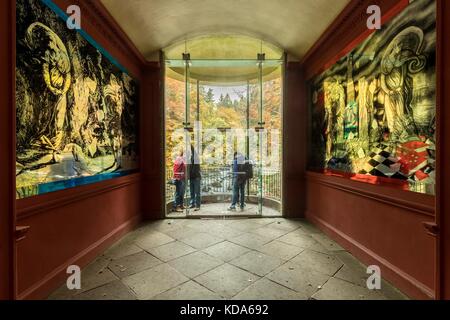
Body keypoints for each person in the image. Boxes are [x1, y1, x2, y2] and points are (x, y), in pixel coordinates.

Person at [188, 144, 201, 211]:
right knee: (192, 192)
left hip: (196, 177)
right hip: (192, 177)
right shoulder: (190, 157)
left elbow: (195, 169)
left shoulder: (195, 157)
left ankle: (197, 205)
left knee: (197, 192)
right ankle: (192, 204)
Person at [173, 148, 186, 212]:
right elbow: (175, 169)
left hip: (182, 178)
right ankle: (176, 206)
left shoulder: (183, 159)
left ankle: (181, 205)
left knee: (182, 192)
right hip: (179, 178)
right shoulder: (179, 158)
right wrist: (178, 177)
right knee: (178, 193)